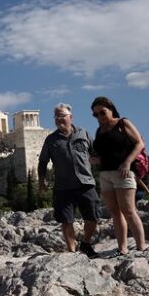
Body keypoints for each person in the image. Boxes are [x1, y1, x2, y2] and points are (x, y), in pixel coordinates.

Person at [38, 103, 100, 258]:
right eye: (56, 116)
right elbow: (43, 161)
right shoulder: (51, 140)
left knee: (93, 216)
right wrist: (41, 182)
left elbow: (96, 152)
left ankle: (85, 243)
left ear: (70, 117)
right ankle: (72, 252)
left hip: (85, 182)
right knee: (66, 220)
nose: (59, 119)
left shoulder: (83, 133)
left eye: (62, 115)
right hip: (63, 186)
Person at [91, 96, 148, 257]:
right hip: (105, 174)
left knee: (129, 210)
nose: (100, 117)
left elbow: (139, 143)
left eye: (102, 112)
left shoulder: (123, 123)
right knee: (114, 212)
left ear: (111, 109)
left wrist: (127, 162)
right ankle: (122, 248)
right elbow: (105, 152)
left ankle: (141, 247)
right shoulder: (99, 130)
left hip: (123, 172)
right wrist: (97, 159)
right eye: (95, 115)